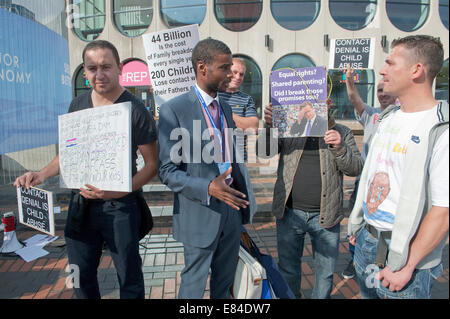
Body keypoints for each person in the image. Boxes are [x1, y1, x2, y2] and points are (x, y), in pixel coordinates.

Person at [14, 40, 158, 299]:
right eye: (92, 68)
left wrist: (115, 193)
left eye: (106, 67)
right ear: (85, 71)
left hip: (121, 208)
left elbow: (151, 166)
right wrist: (41, 174)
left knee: (129, 277)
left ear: (119, 68)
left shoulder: (136, 110)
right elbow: (68, 155)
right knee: (81, 277)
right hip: (80, 206)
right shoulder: (77, 105)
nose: (99, 74)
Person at [348, 35, 449, 299]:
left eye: (391, 63)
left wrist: (408, 265)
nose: (382, 71)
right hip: (367, 241)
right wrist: (359, 225)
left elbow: (443, 211)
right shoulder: (388, 118)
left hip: (405, 255)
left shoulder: (441, 129)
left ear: (416, 70)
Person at [158, 38, 256, 299]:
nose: (230, 74)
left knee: (223, 286)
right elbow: (167, 170)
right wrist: (209, 187)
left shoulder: (225, 105)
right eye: (225, 68)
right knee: (193, 287)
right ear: (202, 68)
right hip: (199, 211)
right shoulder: (174, 110)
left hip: (231, 210)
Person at [260, 96, 363, 299]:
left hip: (326, 216)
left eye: (319, 100)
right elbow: (264, 153)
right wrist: (269, 127)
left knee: (324, 274)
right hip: (290, 213)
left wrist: (339, 148)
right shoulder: (290, 128)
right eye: (307, 101)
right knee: (288, 269)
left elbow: (356, 168)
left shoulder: (342, 131)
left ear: (329, 103)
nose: (311, 107)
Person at [342, 64, 397, 279]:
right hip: (365, 181)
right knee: (356, 222)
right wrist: (349, 79)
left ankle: (386, 261)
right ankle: (354, 259)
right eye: (379, 91)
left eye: (386, 90)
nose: (383, 95)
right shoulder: (371, 115)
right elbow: (354, 97)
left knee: (384, 225)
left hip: (390, 183)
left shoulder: (402, 115)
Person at [219, 58, 259, 162]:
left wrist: (223, 112)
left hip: (239, 160)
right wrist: (241, 122)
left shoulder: (246, 99)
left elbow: (253, 127)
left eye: (241, 74)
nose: (238, 77)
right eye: (234, 72)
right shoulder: (212, 95)